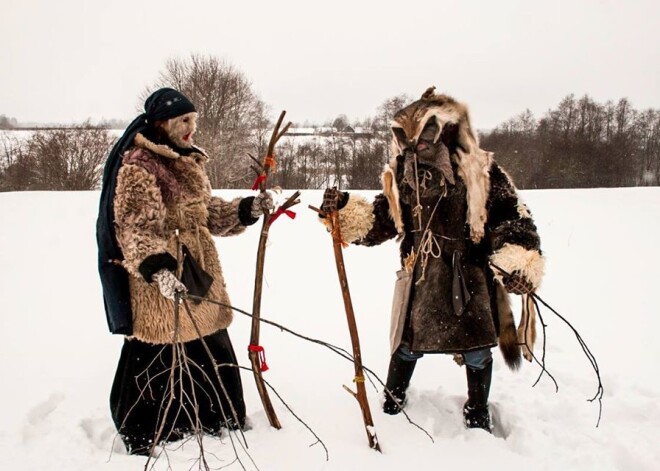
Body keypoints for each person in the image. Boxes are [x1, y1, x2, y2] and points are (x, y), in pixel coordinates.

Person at [319, 87, 544, 432]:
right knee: (406, 346)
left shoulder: (478, 170)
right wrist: (344, 212)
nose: (416, 146)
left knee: (476, 349)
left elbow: (511, 217)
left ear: (444, 130)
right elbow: (381, 222)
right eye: (408, 140)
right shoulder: (401, 174)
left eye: (424, 136)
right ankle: (393, 399)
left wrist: (516, 260)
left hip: (468, 276)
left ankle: (478, 412)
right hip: (420, 275)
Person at [96, 88, 273, 454]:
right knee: (156, 349)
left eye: (193, 121)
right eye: (184, 122)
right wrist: (159, 271)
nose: (192, 129)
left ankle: (218, 418)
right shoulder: (139, 166)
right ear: (163, 124)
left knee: (210, 339)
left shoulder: (186, 160)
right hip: (158, 278)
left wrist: (247, 210)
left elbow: (206, 213)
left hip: (197, 268)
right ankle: (145, 431)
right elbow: (134, 228)